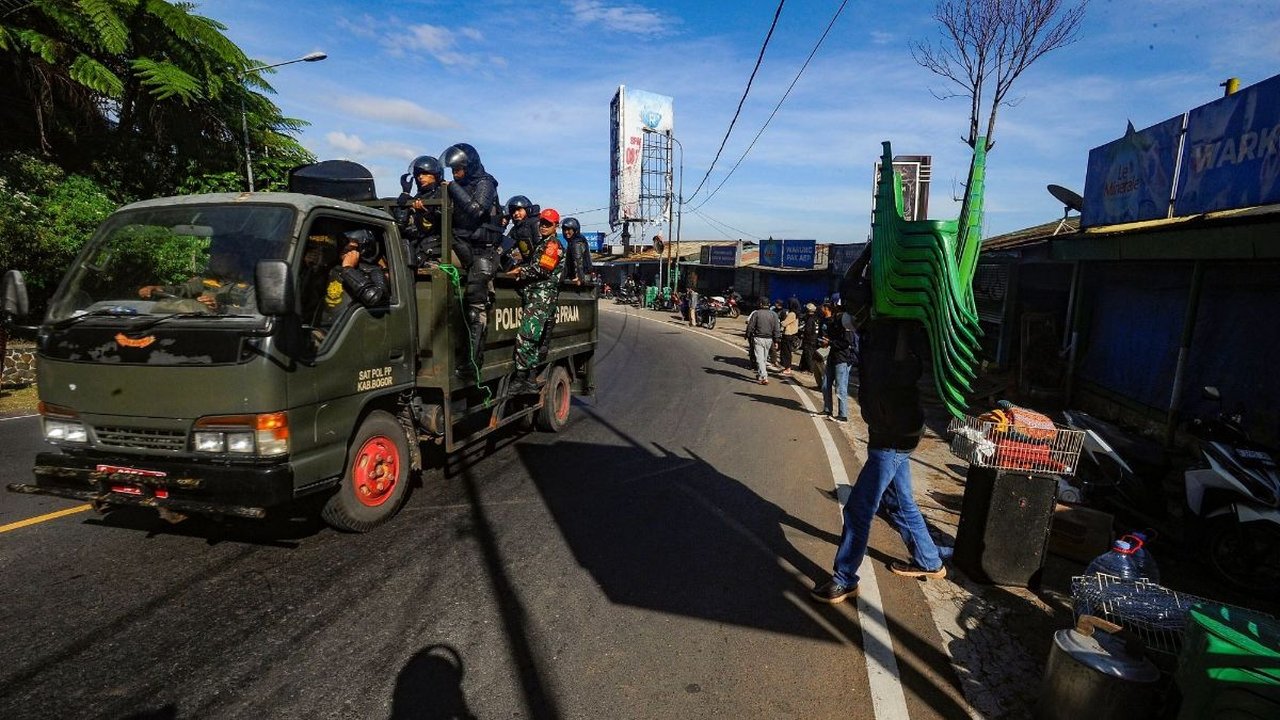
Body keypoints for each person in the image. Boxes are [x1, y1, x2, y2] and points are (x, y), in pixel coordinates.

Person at [810, 317, 946, 605]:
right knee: (900, 501)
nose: (847, 318)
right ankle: (930, 560)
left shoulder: (893, 336)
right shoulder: (882, 336)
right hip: (895, 432)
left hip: (892, 436)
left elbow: (894, 380)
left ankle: (844, 579)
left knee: (859, 509)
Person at [441, 143, 505, 377]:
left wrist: (451, 188)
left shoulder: (485, 183)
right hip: (461, 247)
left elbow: (477, 210)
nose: (455, 174)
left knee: (475, 305)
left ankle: (473, 361)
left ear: (470, 166)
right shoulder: (459, 186)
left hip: (483, 251)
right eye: (452, 170)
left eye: (458, 169)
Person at [509, 208, 566, 395]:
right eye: (542, 223)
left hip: (541, 297)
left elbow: (543, 270)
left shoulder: (552, 245)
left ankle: (521, 379)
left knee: (526, 337)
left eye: (548, 224)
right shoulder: (543, 243)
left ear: (555, 226)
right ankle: (531, 380)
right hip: (537, 296)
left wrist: (521, 272)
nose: (543, 226)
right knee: (533, 339)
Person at [138, 238, 255, 313]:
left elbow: (255, 315)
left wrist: (222, 308)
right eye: (212, 255)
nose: (213, 260)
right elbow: (181, 290)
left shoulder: (252, 285)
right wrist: (158, 289)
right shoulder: (205, 281)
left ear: (235, 257)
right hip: (198, 328)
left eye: (218, 255)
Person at [397, 155, 444, 267]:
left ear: (436, 175)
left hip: (438, 245)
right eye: (418, 174)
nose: (420, 177)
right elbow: (402, 225)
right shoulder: (419, 196)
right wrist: (405, 194)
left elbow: (443, 223)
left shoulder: (442, 193)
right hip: (420, 243)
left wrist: (425, 213)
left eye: (425, 173)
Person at [817, 306, 857, 423]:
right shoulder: (832, 322)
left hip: (843, 359)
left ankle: (842, 415)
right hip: (833, 356)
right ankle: (827, 409)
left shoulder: (846, 324)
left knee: (840, 388)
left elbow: (846, 343)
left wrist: (830, 342)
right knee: (825, 384)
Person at [744, 296, 780, 385]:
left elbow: (750, 326)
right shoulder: (774, 315)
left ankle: (764, 376)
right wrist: (776, 340)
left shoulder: (756, 313)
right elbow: (776, 329)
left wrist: (747, 335)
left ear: (760, 304)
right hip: (769, 339)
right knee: (763, 359)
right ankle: (761, 375)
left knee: (759, 359)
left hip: (758, 338)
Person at [501, 195, 539, 270]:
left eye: (519, 210)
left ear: (527, 209)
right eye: (513, 211)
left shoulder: (535, 223)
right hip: (527, 263)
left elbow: (540, 244)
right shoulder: (515, 229)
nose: (516, 213)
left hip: (538, 263)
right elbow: (506, 245)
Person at [561, 217, 593, 286]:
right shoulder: (575, 240)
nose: (566, 232)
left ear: (575, 230)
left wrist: (580, 277)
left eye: (569, 229)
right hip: (583, 275)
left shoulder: (576, 241)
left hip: (580, 276)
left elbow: (578, 260)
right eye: (564, 230)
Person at [779, 298, 801, 377]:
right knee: (787, 351)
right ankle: (787, 367)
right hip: (792, 334)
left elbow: (784, 323)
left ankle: (787, 368)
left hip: (788, 334)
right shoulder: (796, 313)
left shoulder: (792, 314)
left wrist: (781, 322)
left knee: (786, 352)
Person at [798, 302, 820, 373]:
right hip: (815, 338)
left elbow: (808, 330)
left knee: (808, 354)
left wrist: (802, 333)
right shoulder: (816, 318)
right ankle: (804, 367)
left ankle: (810, 369)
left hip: (809, 339)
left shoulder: (810, 319)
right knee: (808, 354)